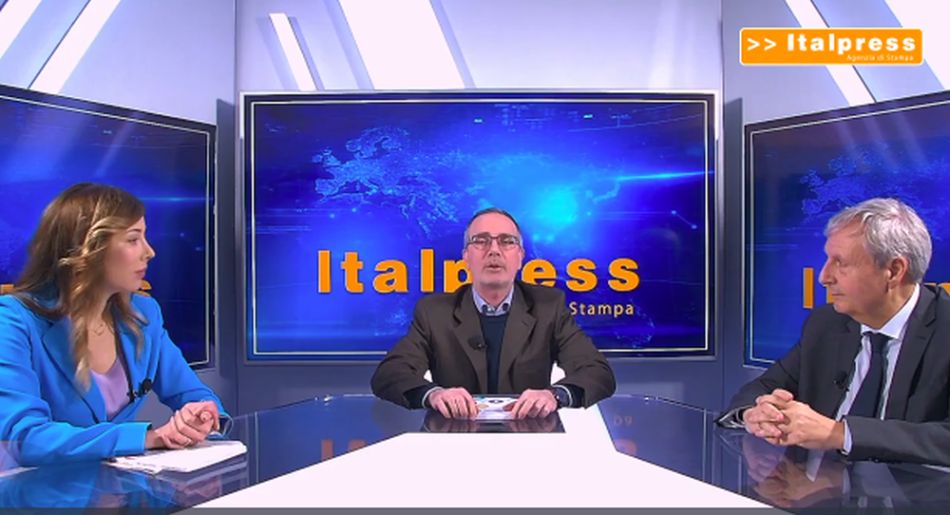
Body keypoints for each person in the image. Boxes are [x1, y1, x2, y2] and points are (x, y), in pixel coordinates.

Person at [0, 183, 228, 466]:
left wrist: (202, 416)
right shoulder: (14, 321)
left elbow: (191, 393)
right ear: (88, 248)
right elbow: (24, 438)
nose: (150, 252)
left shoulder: (144, 313)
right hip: (37, 487)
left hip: (115, 485)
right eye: (133, 239)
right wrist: (149, 438)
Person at [720, 198, 950, 465]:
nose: (824, 277)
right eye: (827, 260)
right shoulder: (826, 324)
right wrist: (755, 413)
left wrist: (840, 434)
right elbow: (764, 386)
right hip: (819, 487)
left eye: (840, 263)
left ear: (893, 270)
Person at [371, 207, 615, 419]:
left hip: (527, 440)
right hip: (456, 440)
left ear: (520, 257)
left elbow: (597, 372)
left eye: (507, 241)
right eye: (481, 240)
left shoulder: (548, 306)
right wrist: (434, 394)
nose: (494, 250)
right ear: (466, 257)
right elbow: (390, 373)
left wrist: (554, 395)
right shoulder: (434, 312)